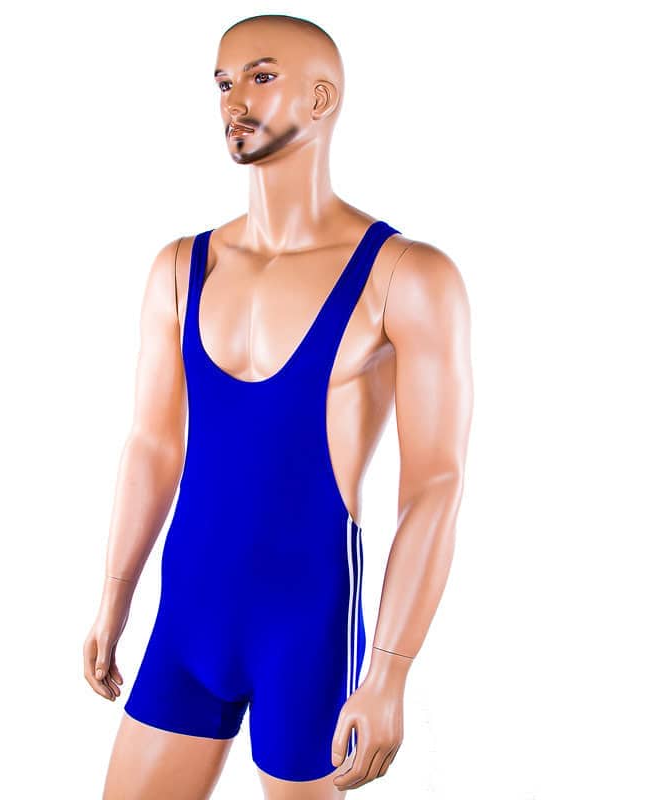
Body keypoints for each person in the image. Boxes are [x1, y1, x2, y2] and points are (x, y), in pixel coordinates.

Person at [85, 13, 473, 799]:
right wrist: (112, 599)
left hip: (305, 628)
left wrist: (390, 671)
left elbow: (435, 483)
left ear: (322, 98)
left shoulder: (405, 276)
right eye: (223, 83)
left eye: (261, 77)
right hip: (187, 619)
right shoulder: (180, 268)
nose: (235, 102)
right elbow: (153, 446)